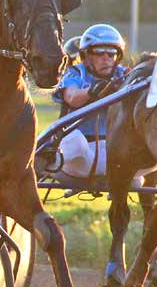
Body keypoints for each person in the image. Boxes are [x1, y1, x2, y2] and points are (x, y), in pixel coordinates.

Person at [50, 24, 128, 179]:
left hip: (113, 154)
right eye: (99, 52)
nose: (106, 58)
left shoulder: (124, 75)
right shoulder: (76, 73)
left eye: (111, 52)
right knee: (76, 139)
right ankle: (46, 164)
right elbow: (72, 98)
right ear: (85, 56)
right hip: (80, 158)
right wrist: (93, 91)